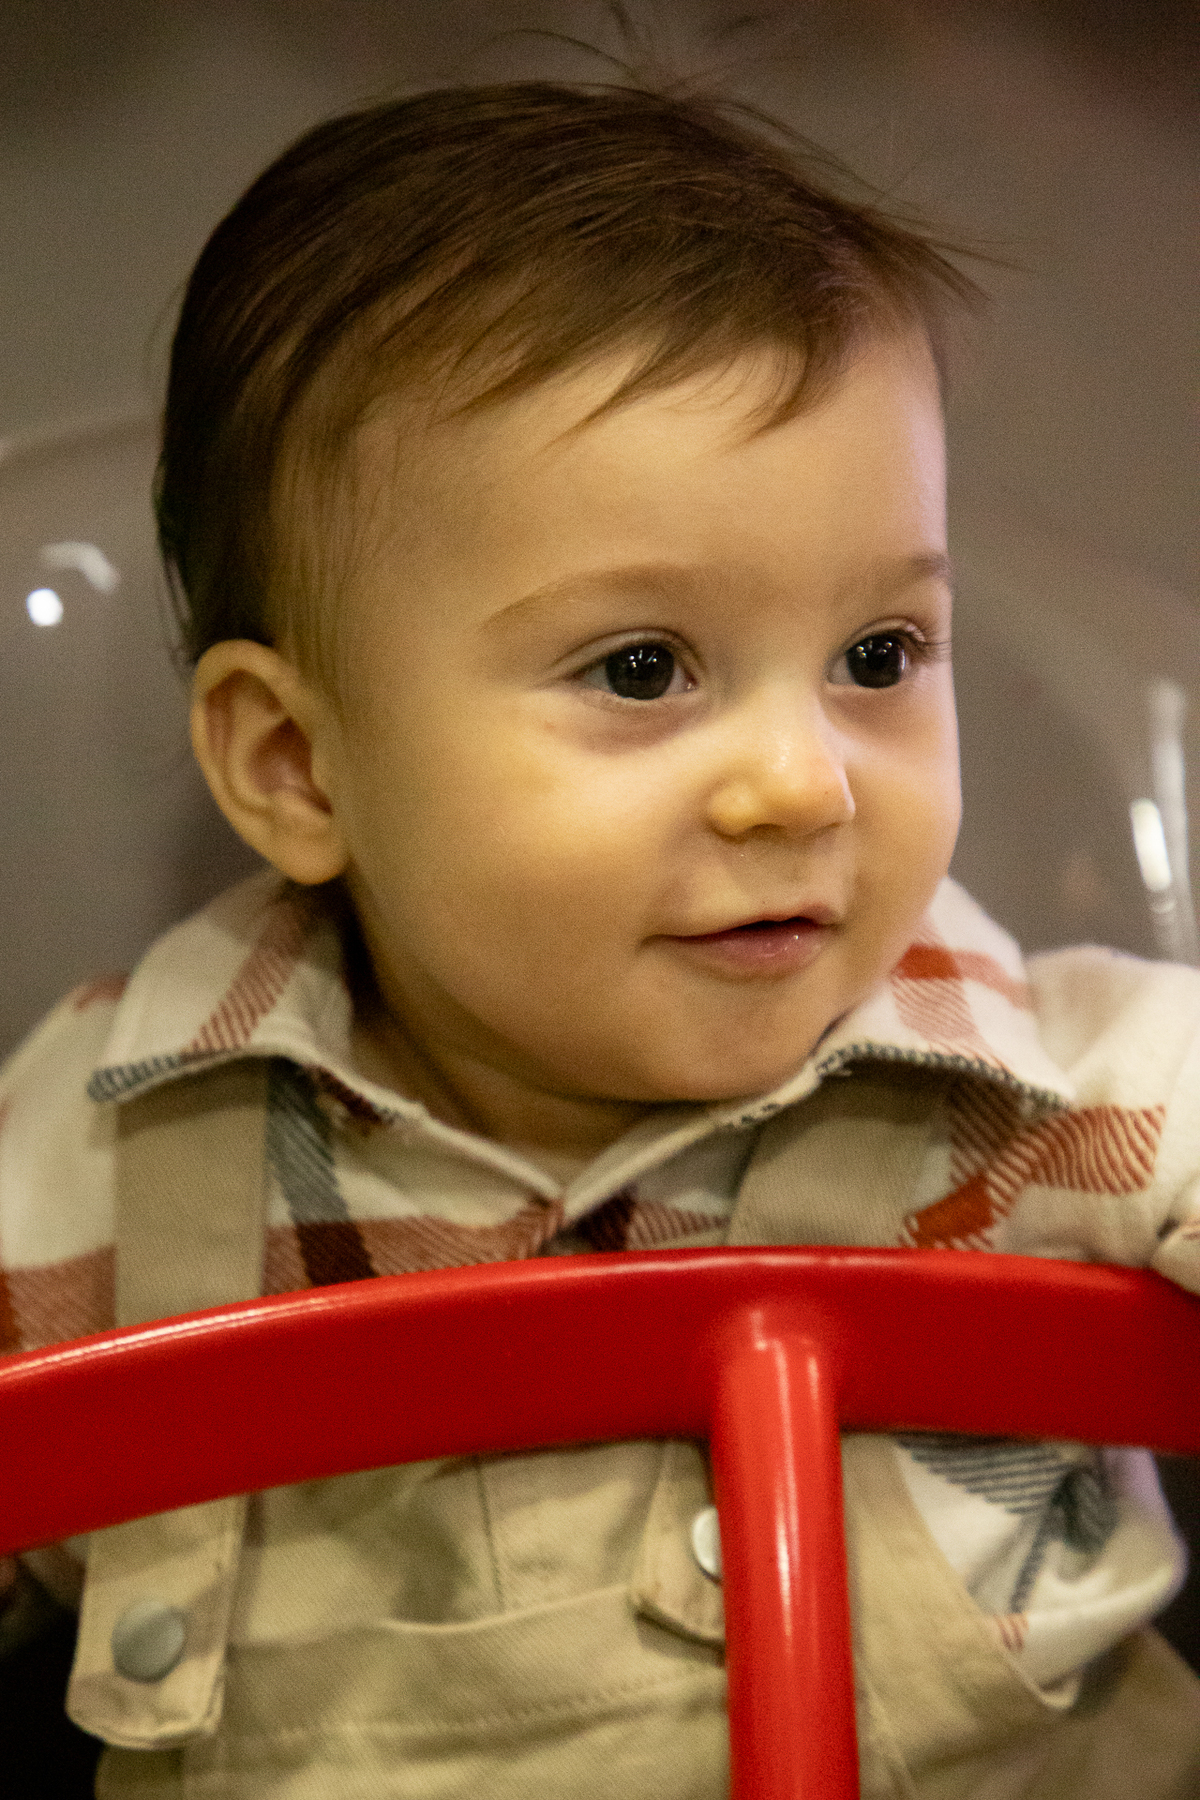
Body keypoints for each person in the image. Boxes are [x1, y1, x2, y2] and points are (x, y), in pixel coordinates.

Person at [3, 80, 1200, 1799]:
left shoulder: (1085, 1099)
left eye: (878, 655)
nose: (803, 784)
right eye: (642, 669)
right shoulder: (102, 1156)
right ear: (297, 766)